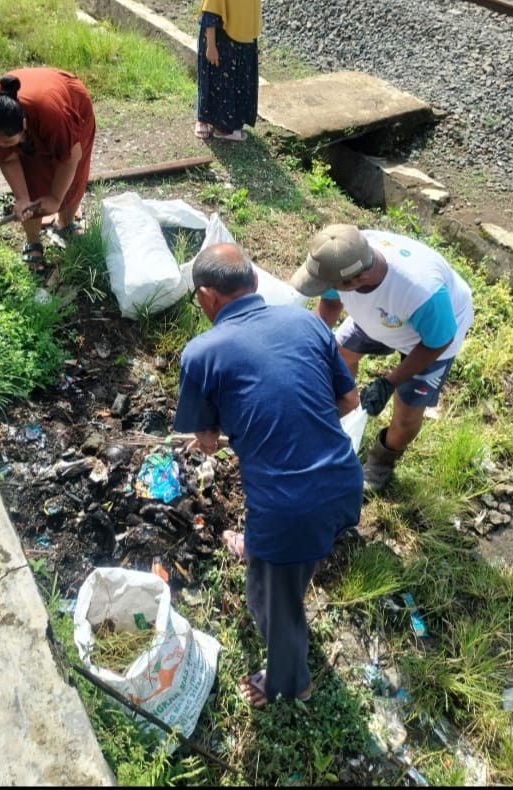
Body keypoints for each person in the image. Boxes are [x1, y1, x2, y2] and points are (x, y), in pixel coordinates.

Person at [173, 243, 363, 708]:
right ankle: (266, 551)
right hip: (343, 481)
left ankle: (289, 682)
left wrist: (226, 434)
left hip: (288, 510)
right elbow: (349, 402)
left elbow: (208, 439)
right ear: (255, 283)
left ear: (205, 297)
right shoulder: (307, 323)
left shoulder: (201, 353)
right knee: (290, 559)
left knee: (271, 602)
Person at [290, 224, 474, 495]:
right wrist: (312, 346)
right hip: (380, 318)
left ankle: (381, 461)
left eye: (331, 286)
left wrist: (389, 382)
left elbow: (438, 341)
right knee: (339, 354)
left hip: (429, 339)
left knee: (406, 414)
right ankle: (348, 408)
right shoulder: (343, 253)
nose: (328, 290)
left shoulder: (420, 291)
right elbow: (330, 302)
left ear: (356, 280)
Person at [0, 67, 95, 276]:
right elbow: (7, 158)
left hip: (67, 101)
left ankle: (66, 223)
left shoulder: (52, 115)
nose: (0, 145)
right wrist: (22, 198)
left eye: (7, 141)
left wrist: (55, 198)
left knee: (72, 177)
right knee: (33, 179)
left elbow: (71, 158)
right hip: (30, 110)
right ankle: (33, 242)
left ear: (25, 125)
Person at [194, 0, 279, 143]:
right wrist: (210, 45)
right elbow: (211, 8)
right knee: (214, 81)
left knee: (238, 83)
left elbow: (248, 4)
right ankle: (205, 121)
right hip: (219, 36)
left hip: (242, 38)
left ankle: (229, 127)